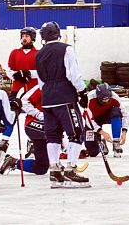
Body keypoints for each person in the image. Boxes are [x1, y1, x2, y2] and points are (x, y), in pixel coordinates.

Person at [35, 21, 90, 188]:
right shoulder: (66, 49)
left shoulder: (39, 54)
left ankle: (54, 170)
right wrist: (82, 92)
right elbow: (73, 73)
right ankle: (71, 170)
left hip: (47, 99)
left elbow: (40, 81)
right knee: (77, 132)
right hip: (64, 97)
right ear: (58, 34)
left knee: (53, 135)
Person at [0, 27, 39, 155]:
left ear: (32, 38)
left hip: (34, 90)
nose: (24, 38)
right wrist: (16, 75)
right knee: (11, 114)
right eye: (22, 35)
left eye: (27, 35)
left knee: (34, 115)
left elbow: (42, 71)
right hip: (18, 89)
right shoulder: (14, 52)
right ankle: (5, 139)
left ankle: (33, 140)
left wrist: (29, 73)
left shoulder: (39, 53)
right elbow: (9, 69)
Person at [0, 83, 49, 176]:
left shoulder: (64, 88)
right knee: (41, 167)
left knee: (45, 162)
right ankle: (13, 162)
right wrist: (39, 114)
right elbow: (24, 101)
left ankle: (56, 163)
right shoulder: (42, 86)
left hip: (49, 126)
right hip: (35, 125)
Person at [83, 82, 129, 158]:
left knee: (116, 111)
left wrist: (124, 132)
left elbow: (125, 115)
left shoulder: (114, 96)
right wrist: (102, 132)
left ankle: (116, 143)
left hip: (107, 115)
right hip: (93, 120)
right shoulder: (90, 98)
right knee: (92, 152)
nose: (105, 100)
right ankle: (102, 144)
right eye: (103, 99)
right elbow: (88, 120)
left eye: (107, 98)